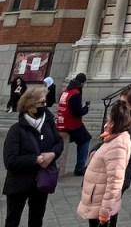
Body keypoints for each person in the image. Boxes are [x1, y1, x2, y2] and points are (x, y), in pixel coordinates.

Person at [2, 85, 63, 227]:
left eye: (45, 102)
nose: (45, 106)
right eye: (41, 103)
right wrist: (36, 159)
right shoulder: (16, 130)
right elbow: (10, 160)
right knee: (13, 219)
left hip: (41, 182)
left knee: (36, 219)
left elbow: (59, 142)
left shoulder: (48, 124)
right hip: (19, 183)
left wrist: (52, 154)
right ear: (29, 105)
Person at [76, 98, 131, 227]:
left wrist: (105, 212)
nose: (107, 120)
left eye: (109, 117)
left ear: (113, 120)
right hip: (96, 199)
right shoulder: (113, 139)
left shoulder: (118, 145)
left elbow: (115, 182)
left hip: (100, 203)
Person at [56, 73, 91, 175]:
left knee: (80, 138)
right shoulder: (75, 93)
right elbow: (77, 112)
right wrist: (86, 109)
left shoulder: (65, 92)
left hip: (61, 122)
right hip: (71, 124)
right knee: (86, 139)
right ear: (83, 83)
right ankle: (80, 167)